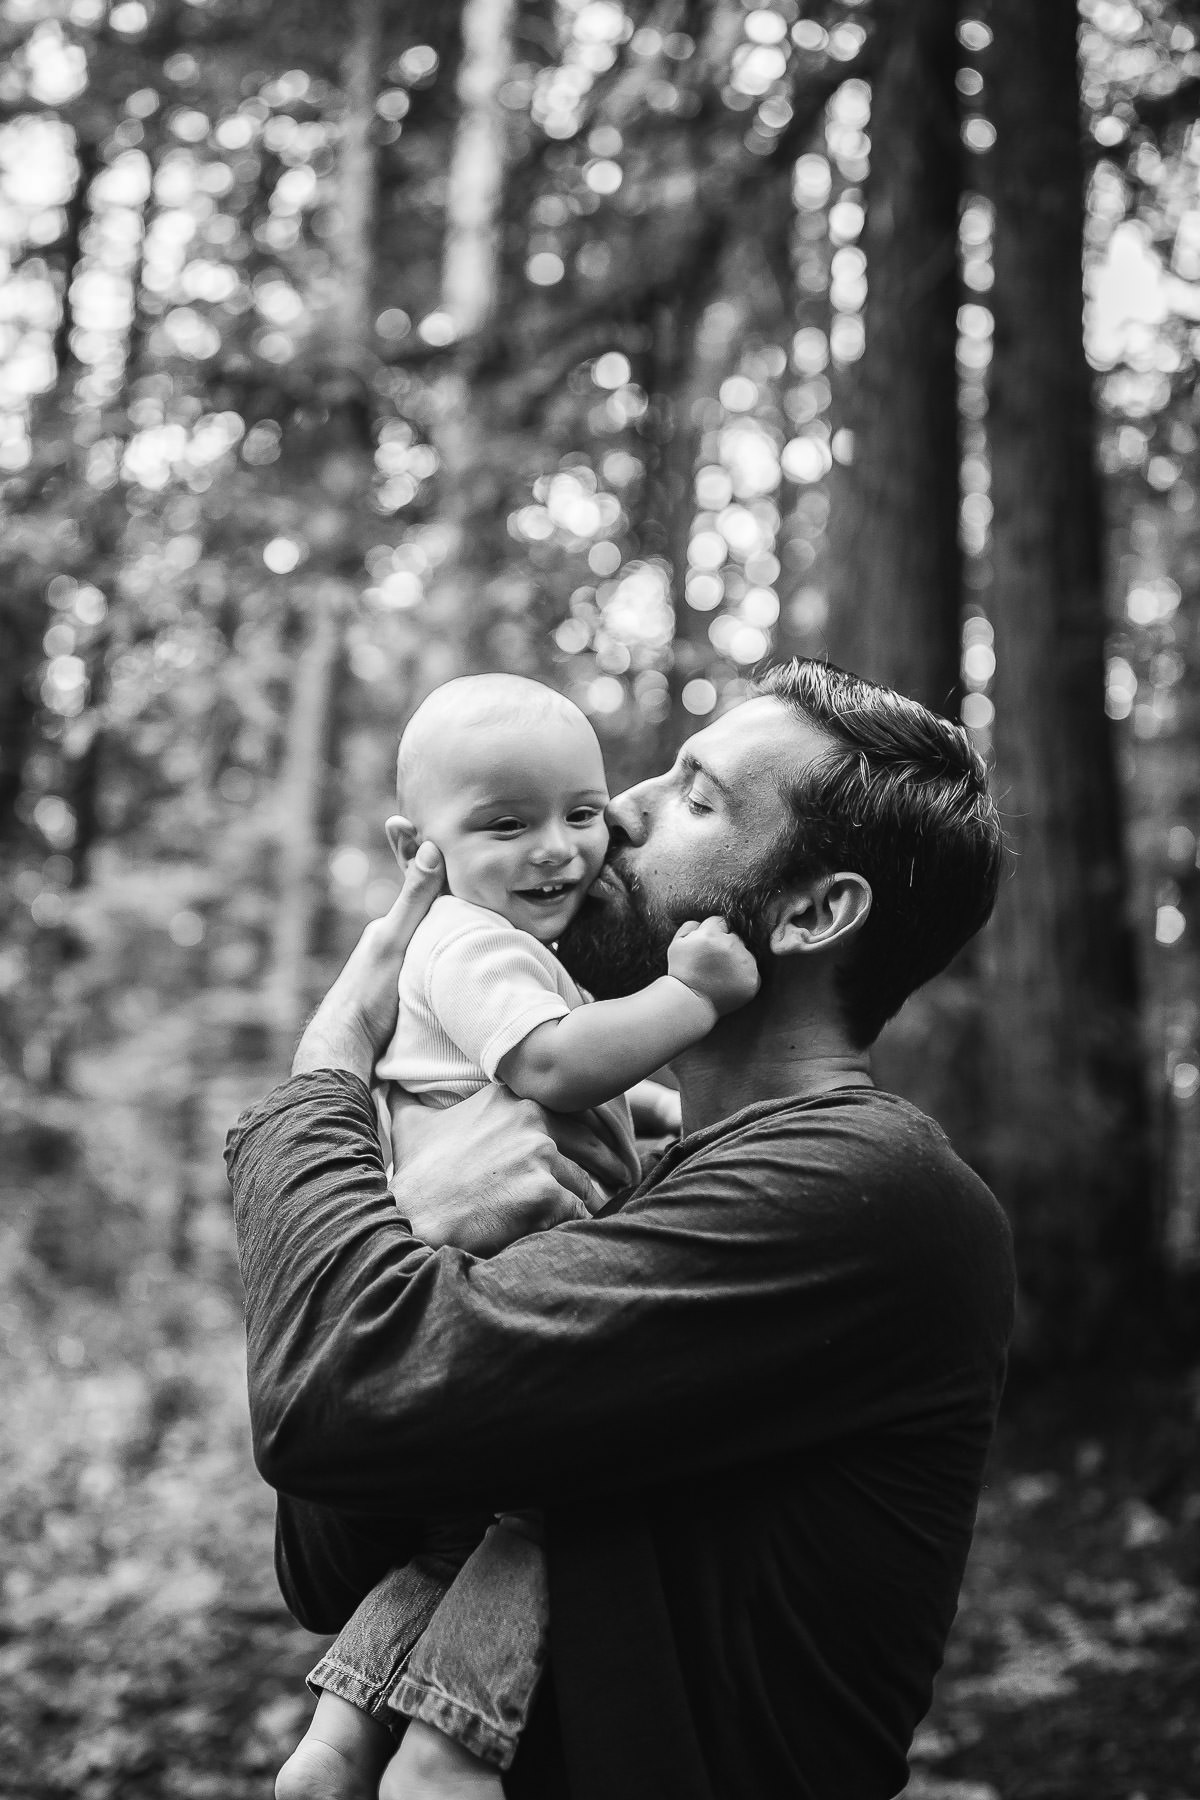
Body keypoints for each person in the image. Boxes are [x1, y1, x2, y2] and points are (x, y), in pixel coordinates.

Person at [228, 659, 1017, 1800]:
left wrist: (330, 1067)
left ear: (811, 912)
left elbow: (326, 1404)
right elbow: (324, 1545)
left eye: (697, 798)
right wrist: (415, 1226)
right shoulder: (628, 1176)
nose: (619, 814)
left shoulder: (873, 1195)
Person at [277, 672, 760, 1800]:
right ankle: (448, 1751)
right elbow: (549, 1066)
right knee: (550, 1516)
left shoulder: (485, 948)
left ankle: (342, 1734)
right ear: (418, 844)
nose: (558, 851)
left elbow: (561, 1092)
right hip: (498, 1273)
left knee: (453, 1538)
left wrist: (659, 1114)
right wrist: (695, 1001)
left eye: (581, 814)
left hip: (463, 1279)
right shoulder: (471, 944)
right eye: (505, 824)